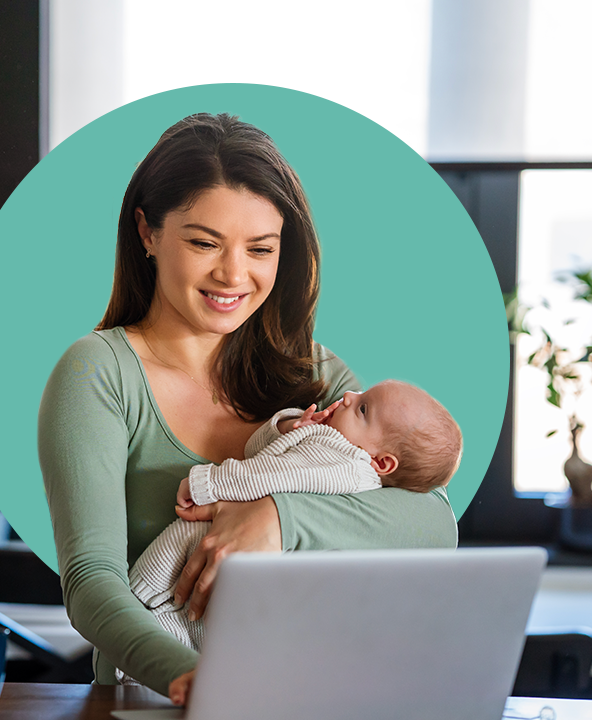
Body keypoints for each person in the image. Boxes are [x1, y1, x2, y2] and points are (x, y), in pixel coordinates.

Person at [37, 113, 459, 704]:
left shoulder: (316, 377)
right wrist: (190, 678)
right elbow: (91, 584)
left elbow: (434, 527)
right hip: (156, 700)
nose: (234, 274)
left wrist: (276, 518)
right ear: (148, 233)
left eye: (261, 249)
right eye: (204, 242)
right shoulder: (97, 373)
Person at [121, 380, 462, 678]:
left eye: (362, 408)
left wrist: (207, 484)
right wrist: (290, 428)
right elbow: (265, 455)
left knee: (167, 578)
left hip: (224, 554)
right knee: (188, 622)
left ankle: (138, 614)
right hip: (253, 603)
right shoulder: (341, 443)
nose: (347, 395)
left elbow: (267, 475)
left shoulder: (343, 464)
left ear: (382, 462)